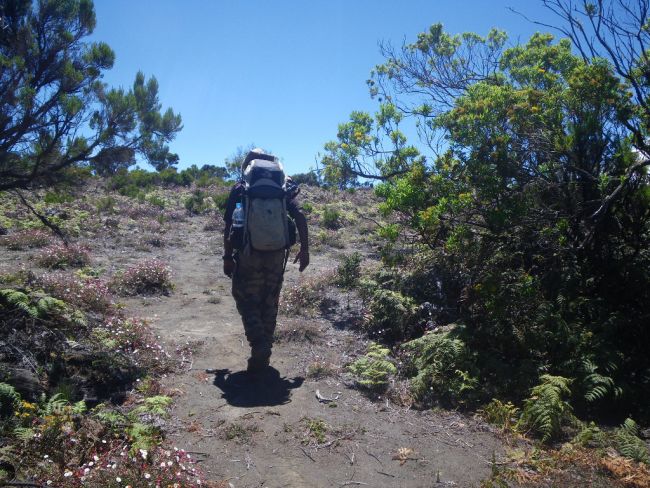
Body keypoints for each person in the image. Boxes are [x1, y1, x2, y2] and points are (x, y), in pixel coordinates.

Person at [222, 148, 309, 374]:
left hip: (248, 253)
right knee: (270, 300)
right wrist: (305, 250)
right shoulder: (283, 188)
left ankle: (259, 345)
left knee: (244, 297)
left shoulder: (241, 189)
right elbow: (300, 216)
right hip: (277, 254)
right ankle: (265, 347)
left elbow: (229, 225)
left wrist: (227, 256)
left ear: (246, 166)